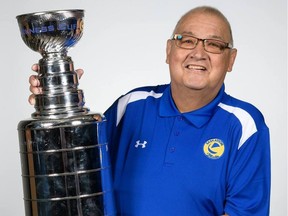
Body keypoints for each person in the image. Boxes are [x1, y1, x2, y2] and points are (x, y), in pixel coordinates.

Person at [28, 6, 271, 216]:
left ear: (231, 60)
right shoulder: (131, 105)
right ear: (169, 51)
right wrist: (59, 105)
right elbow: (76, 171)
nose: (198, 53)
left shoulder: (245, 125)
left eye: (214, 44)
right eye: (187, 40)